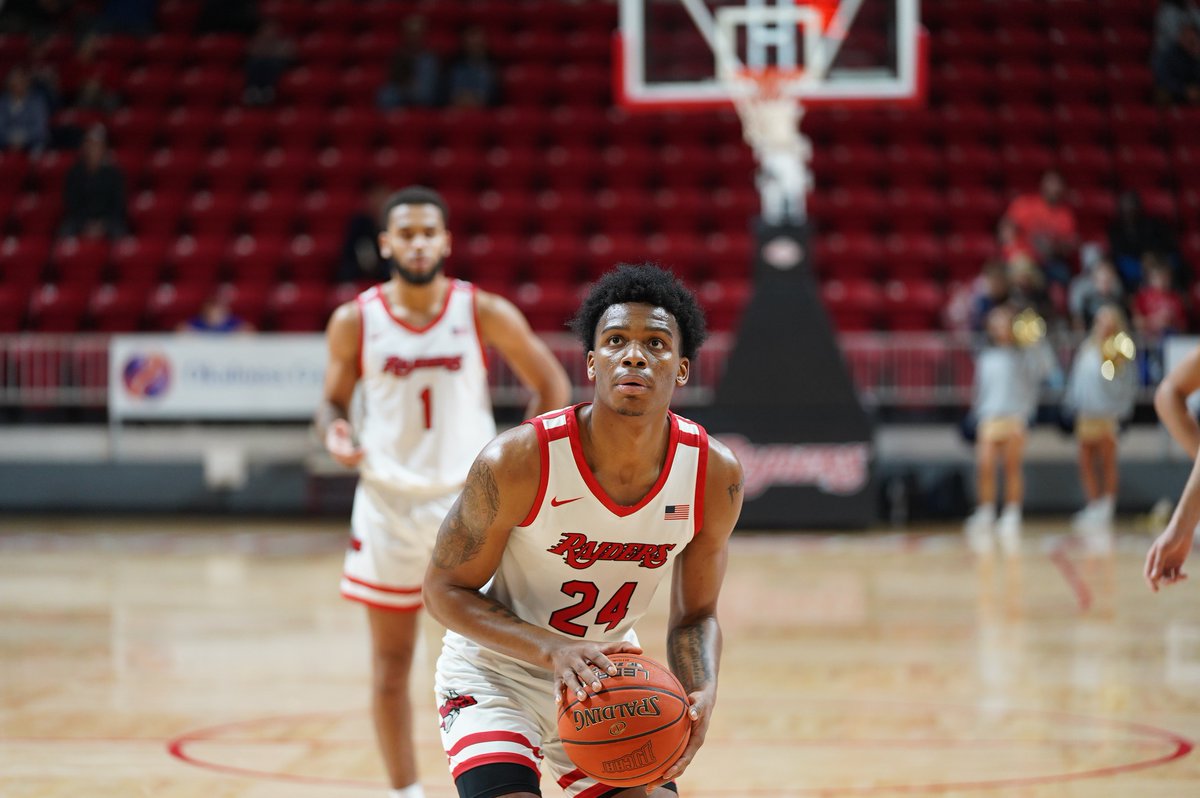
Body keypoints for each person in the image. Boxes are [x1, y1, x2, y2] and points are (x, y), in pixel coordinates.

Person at [423, 263, 745, 798]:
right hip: (497, 674)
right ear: (593, 364)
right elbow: (442, 591)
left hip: (605, 675)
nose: (635, 355)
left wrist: (701, 687)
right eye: (616, 341)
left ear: (682, 369)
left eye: (656, 344)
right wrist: (552, 651)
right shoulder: (518, 461)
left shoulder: (714, 476)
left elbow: (695, 616)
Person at [315, 185, 571, 798]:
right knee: (390, 667)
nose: (419, 243)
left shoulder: (481, 310)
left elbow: (552, 384)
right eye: (406, 234)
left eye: (430, 232)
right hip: (388, 504)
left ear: (446, 241)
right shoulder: (356, 320)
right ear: (385, 244)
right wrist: (336, 431)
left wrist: (518, 464)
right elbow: (329, 403)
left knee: (502, 659)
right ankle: (406, 792)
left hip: (471, 505)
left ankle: (527, 769)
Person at [963, 304, 1059, 555]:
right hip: (989, 417)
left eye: (1004, 322)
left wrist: (1037, 342)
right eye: (996, 323)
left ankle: (1012, 513)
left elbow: (1047, 370)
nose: (1000, 327)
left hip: (1015, 417)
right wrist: (976, 413)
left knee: (1012, 466)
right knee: (984, 465)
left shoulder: (1025, 354)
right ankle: (985, 511)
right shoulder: (986, 356)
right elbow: (980, 389)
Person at [1063, 304, 1138, 532]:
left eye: (1109, 319)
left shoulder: (1120, 348)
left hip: (1106, 414)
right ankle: (1094, 504)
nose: (1104, 323)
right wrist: (1071, 402)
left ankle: (1107, 505)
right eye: (1100, 319)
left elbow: (1124, 383)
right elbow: (1077, 378)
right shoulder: (1087, 346)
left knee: (1106, 461)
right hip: (1086, 413)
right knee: (1085, 461)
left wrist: (1121, 410)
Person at [999, 170, 1078, 286]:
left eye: (1057, 183)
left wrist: (1054, 247)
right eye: (1051, 182)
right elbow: (1006, 229)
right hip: (1021, 259)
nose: (1054, 187)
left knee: (1063, 274)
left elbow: (1069, 245)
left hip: (1048, 262)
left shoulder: (1065, 215)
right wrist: (1011, 239)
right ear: (1043, 184)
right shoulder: (1025, 204)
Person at [59, 124, 127, 239]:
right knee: (65, 232)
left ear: (103, 149)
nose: (92, 149)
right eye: (89, 145)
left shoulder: (114, 174)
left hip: (107, 221)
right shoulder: (75, 174)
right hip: (80, 220)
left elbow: (118, 204)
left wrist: (102, 225)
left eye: (96, 146)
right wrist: (87, 224)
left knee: (120, 235)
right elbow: (72, 203)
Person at [377, 15, 442, 110]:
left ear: (424, 35)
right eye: (410, 34)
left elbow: (425, 95)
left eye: (417, 34)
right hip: (398, 105)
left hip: (426, 109)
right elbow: (388, 93)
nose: (414, 38)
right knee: (387, 95)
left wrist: (406, 88)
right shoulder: (397, 57)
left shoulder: (430, 60)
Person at [337, 182, 392, 284]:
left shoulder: (394, 225)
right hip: (358, 276)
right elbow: (348, 255)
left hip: (386, 276)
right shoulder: (359, 224)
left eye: (383, 199)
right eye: (376, 198)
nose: (380, 202)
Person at [0, 66, 50, 154]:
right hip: (5, 142)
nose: (16, 84)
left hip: (32, 143)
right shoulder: (2, 102)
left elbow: (40, 128)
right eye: (13, 81)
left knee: (39, 149)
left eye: (20, 80)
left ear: (27, 82)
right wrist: (12, 139)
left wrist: (22, 138)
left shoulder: (37, 101)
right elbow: (1, 127)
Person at [446, 26, 497, 108]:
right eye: (472, 42)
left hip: (484, 112)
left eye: (478, 43)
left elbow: (490, 97)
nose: (475, 45)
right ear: (464, 44)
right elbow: (453, 94)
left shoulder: (493, 67)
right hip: (458, 109)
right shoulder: (454, 66)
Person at [177, 291, 254, 333]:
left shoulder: (232, 322)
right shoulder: (199, 322)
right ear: (206, 310)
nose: (215, 313)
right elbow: (181, 328)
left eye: (218, 310)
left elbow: (249, 329)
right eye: (212, 309)